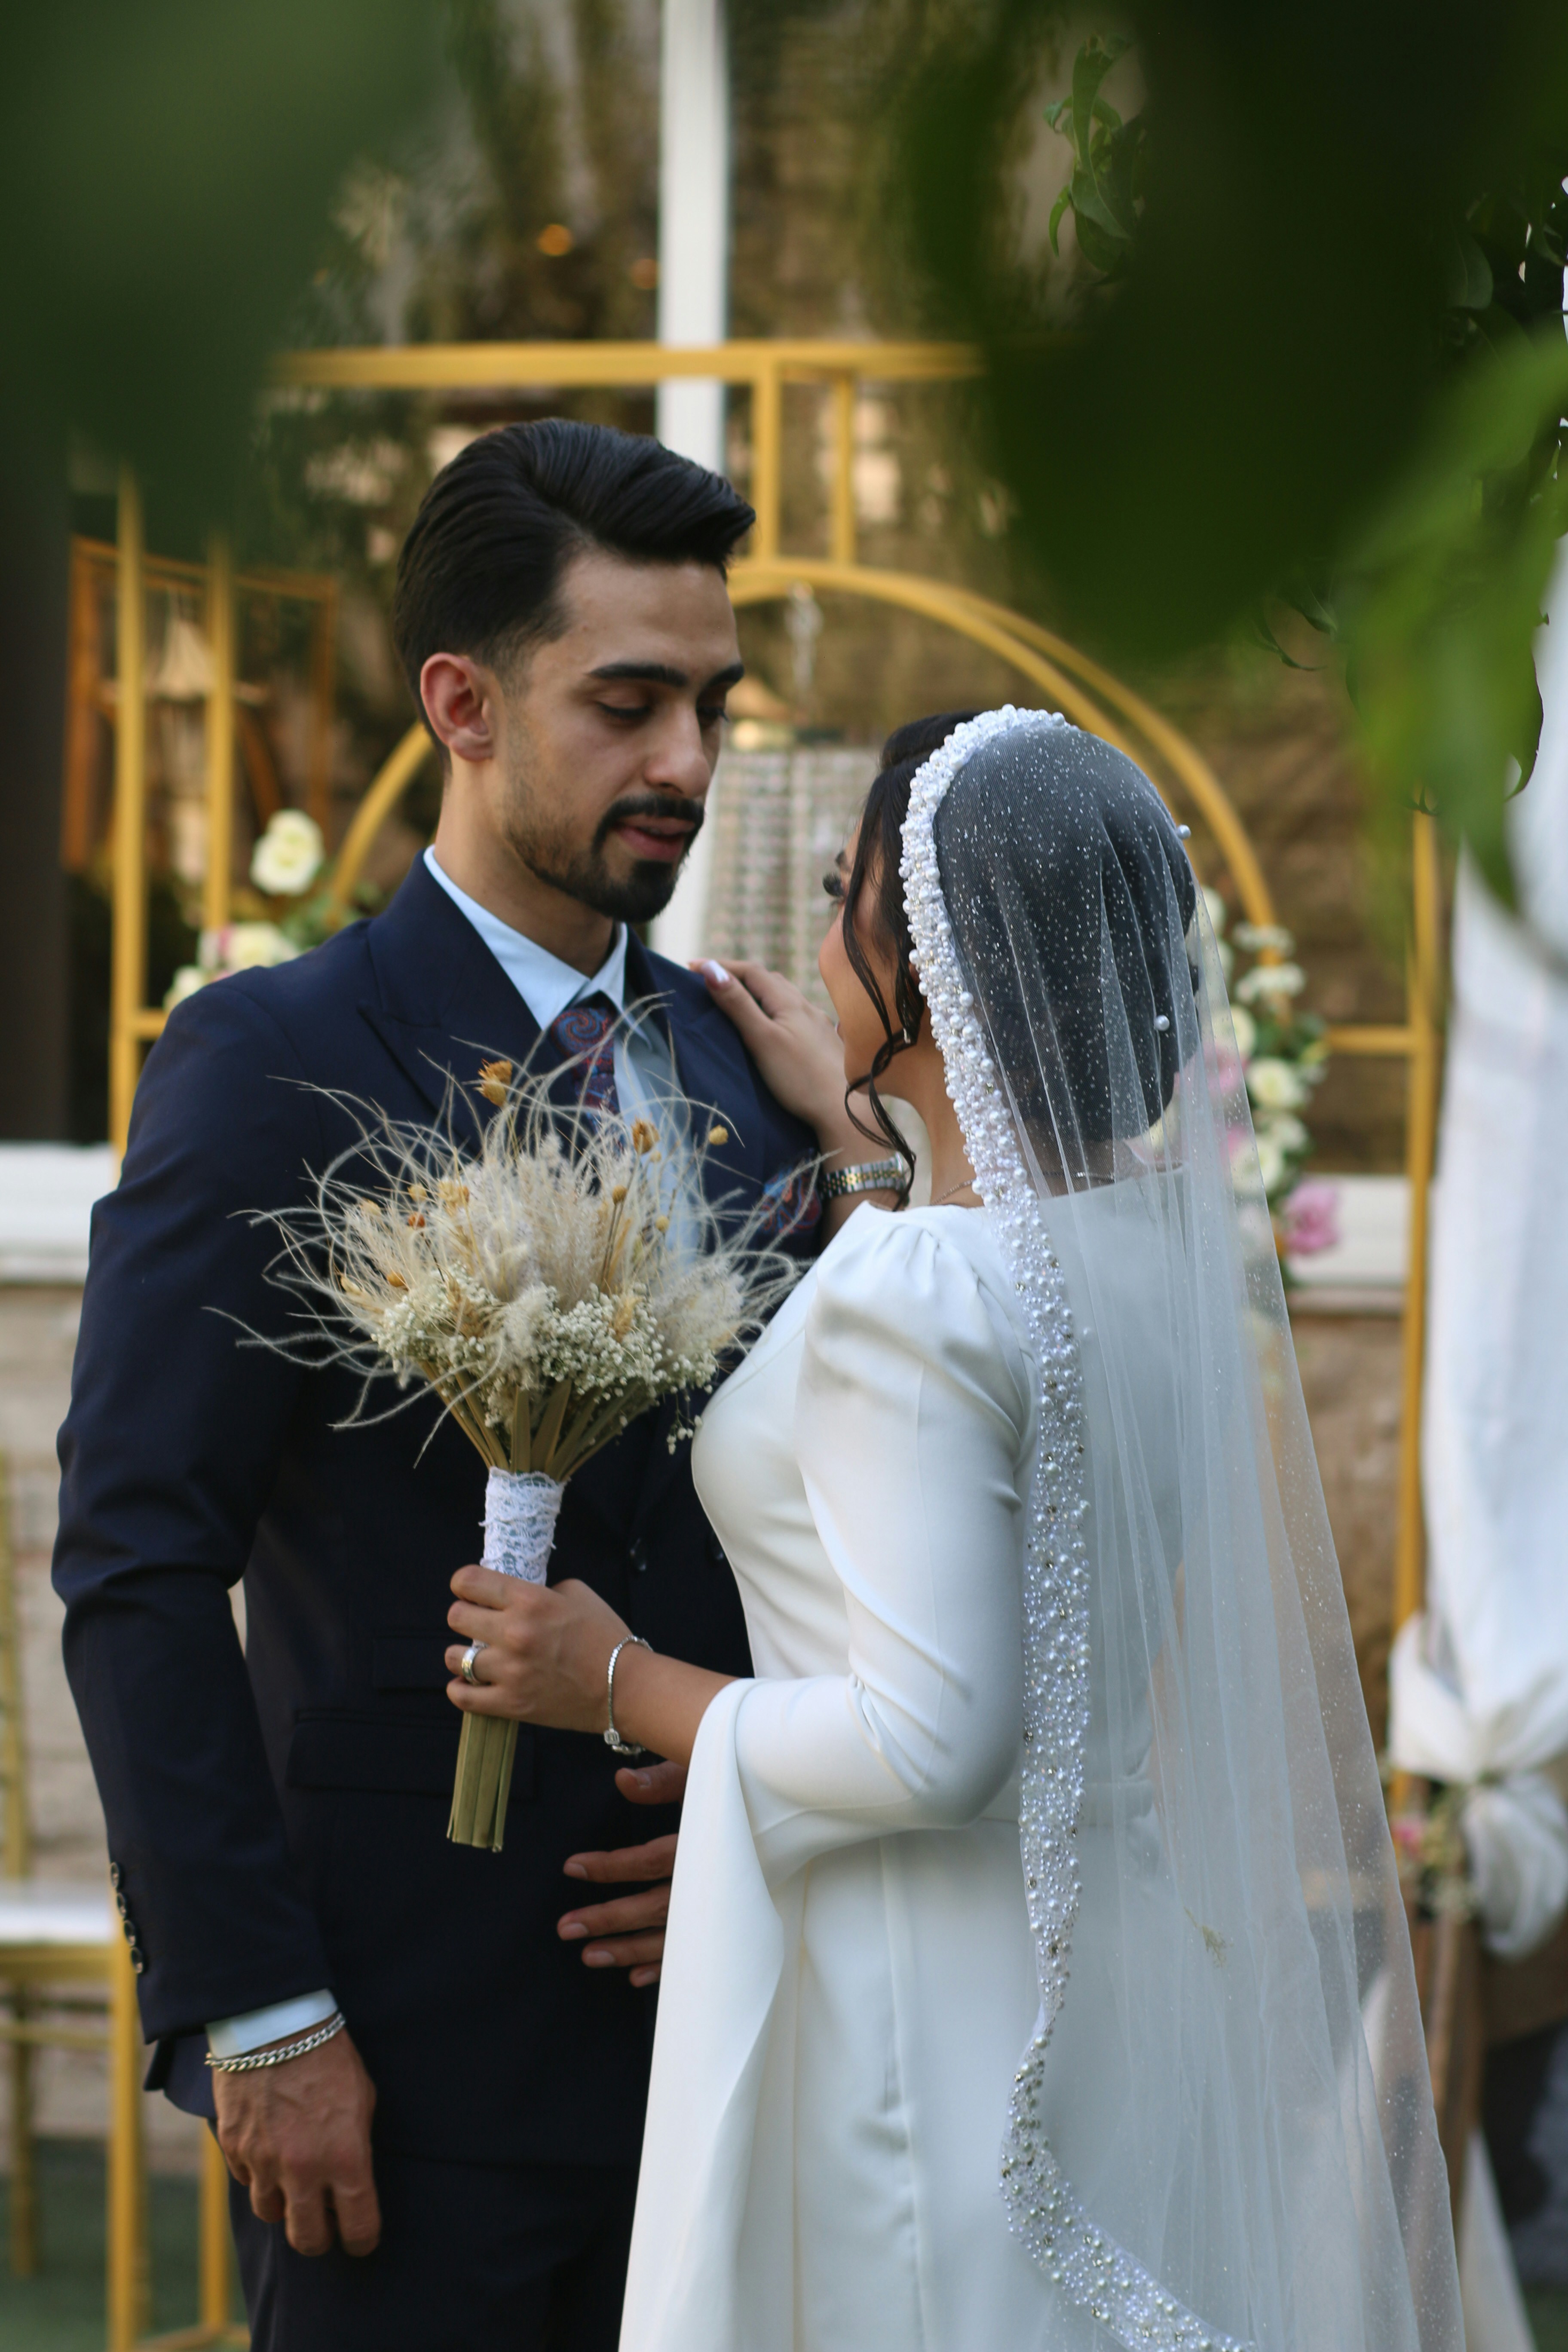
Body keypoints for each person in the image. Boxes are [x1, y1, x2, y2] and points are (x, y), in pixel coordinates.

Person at [447, 707, 1466, 2352]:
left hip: (923, 2010)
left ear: (925, 964)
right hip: (1104, 1962)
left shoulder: (928, 1291)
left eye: (843, 894)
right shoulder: (1141, 1255)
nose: (819, 937)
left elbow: (933, 1742)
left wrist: (615, 1678)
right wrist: (872, 1150)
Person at [53, 421, 892, 2352]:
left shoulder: (746, 1071)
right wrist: (259, 2011)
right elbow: (137, 1563)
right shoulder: (272, 1060)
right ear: (464, 704)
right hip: (402, 2065)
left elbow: (852, 1522)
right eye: (628, 703)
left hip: (735, 2039)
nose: (687, 763)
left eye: (712, 706)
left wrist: (768, 1827)